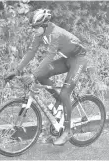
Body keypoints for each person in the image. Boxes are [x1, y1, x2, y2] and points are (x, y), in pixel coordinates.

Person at [6, 8, 88, 146]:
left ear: (44, 25)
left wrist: (32, 75)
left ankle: (67, 131)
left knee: (65, 93)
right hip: (66, 59)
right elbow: (31, 52)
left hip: (78, 60)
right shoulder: (39, 34)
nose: (34, 30)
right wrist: (17, 70)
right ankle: (59, 102)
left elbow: (49, 57)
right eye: (33, 27)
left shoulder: (55, 33)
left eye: (36, 28)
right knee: (41, 75)